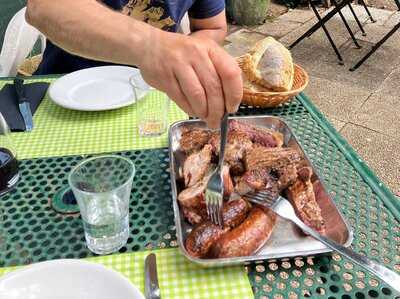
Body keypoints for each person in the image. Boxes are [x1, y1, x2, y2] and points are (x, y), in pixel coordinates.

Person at [26, 0, 243, 128]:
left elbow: (212, 27)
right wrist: (154, 46)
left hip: (153, 101)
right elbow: (43, 7)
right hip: (59, 102)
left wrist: (192, 57)